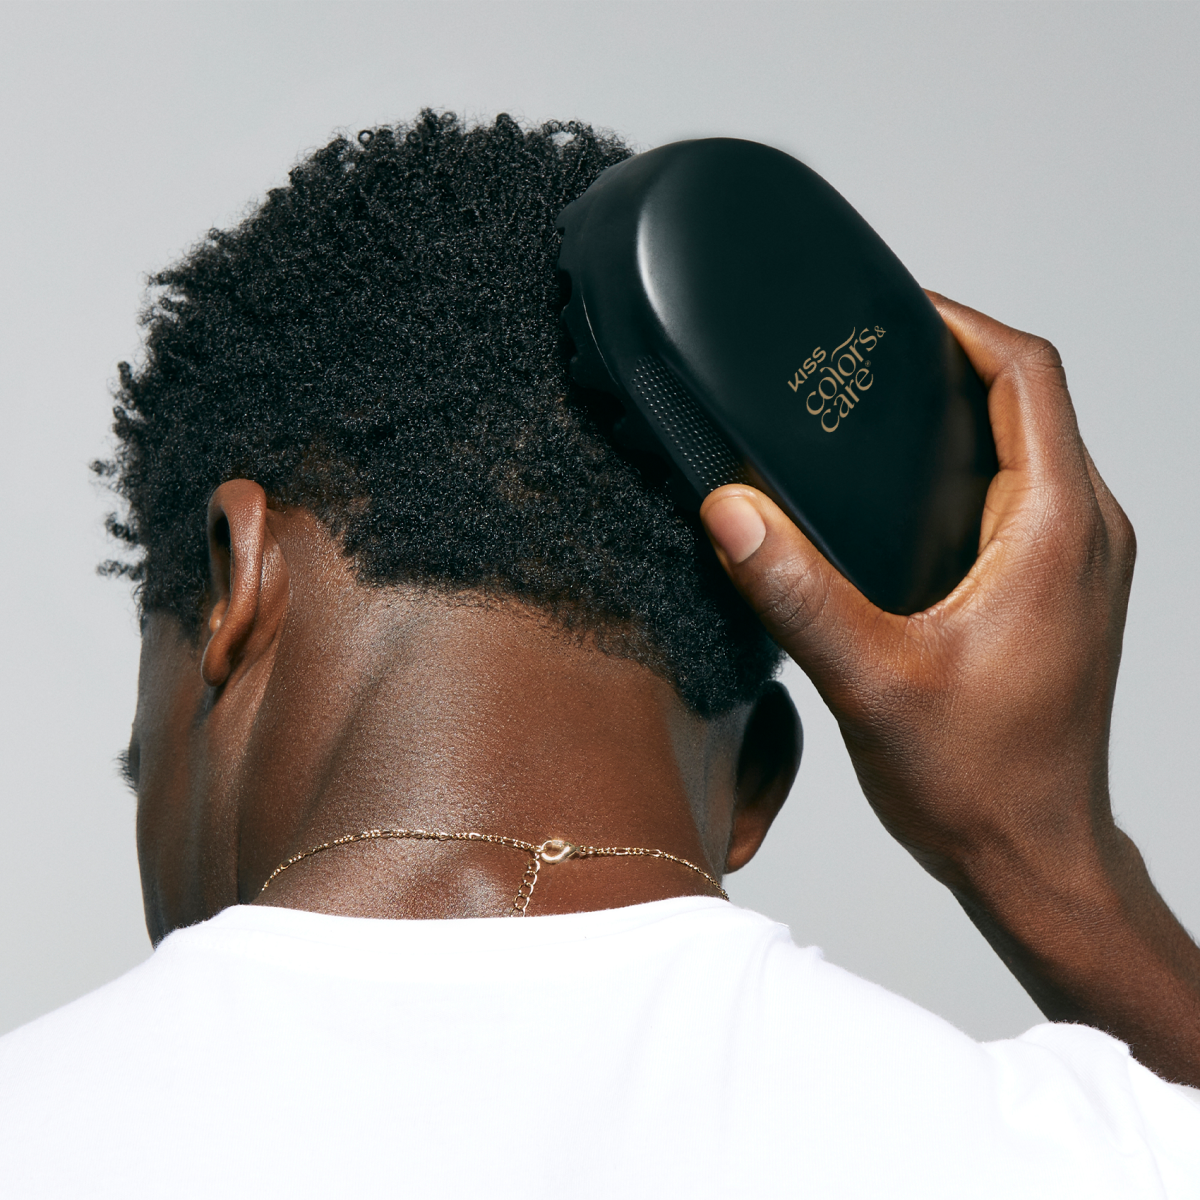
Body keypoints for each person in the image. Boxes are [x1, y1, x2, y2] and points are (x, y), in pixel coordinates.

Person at [1, 110, 1198, 1198]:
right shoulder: (1093, 1153)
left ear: (233, 572)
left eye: (134, 760)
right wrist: (1051, 853)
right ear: (760, 781)